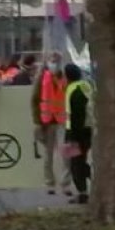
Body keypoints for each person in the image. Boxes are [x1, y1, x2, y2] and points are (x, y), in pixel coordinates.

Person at [33, 53, 67, 195]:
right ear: (47, 62)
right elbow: (35, 100)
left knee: (67, 153)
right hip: (47, 121)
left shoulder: (64, 78)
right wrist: (37, 121)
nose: (55, 64)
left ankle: (66, 183)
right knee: (48, 155)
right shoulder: (41, 78)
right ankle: (49, 183)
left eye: (57, 61)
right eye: (52, 61)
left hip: (62, 120)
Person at [62, 63, 93, 205]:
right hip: (87, 130)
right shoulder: (86, 86)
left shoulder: (73, 90)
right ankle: (89, 183)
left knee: (74, 163)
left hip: (74, 133)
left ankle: (82, 193)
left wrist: (73, 137)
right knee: (81, 161)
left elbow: (76, 115)